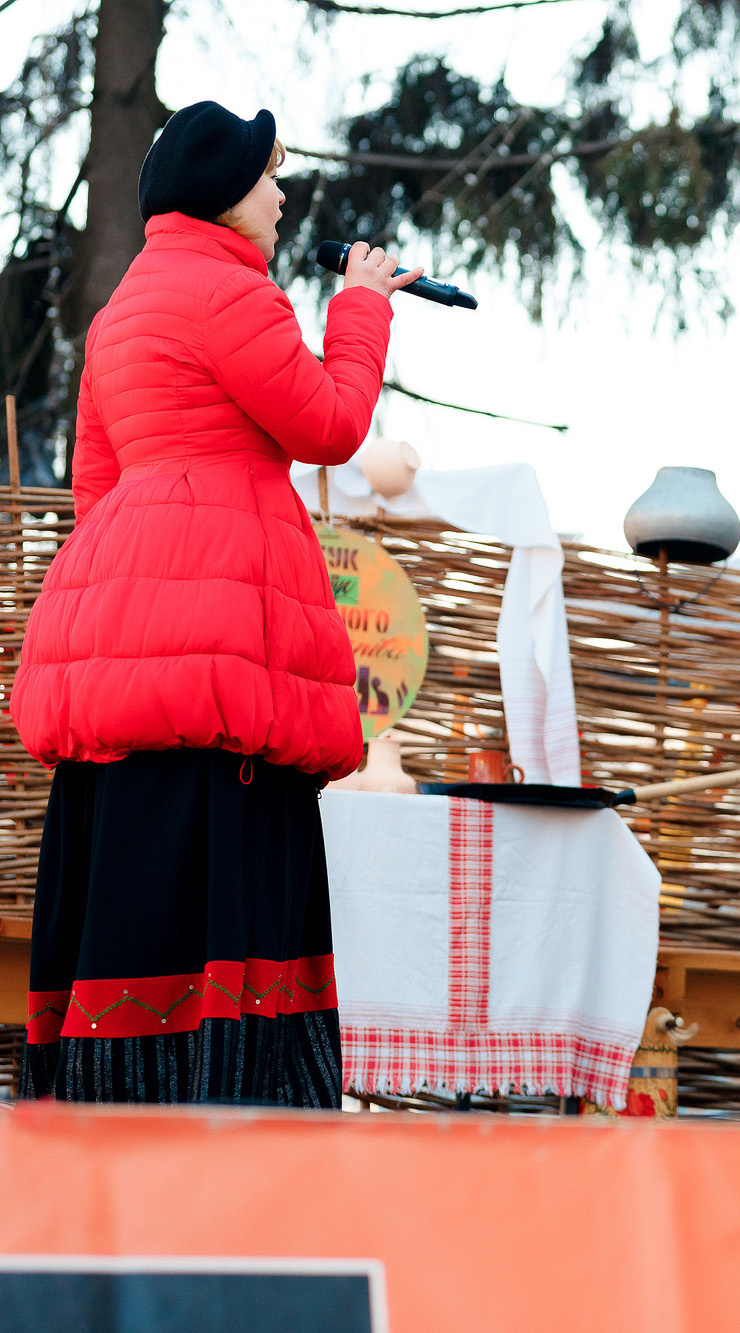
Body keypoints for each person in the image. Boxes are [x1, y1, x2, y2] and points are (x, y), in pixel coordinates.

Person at [11, 101, 420, 1104]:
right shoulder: (233, 297)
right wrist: (361, 307)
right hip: (226, 620)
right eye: (266, 177)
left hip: (112, 598)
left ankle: (115, 1091)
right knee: (233, 840)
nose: (281, 196)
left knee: (131, 861)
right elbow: (327, 424)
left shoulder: (119, 316)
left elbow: (95, 486)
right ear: (223, 196)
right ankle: (232, 1098)